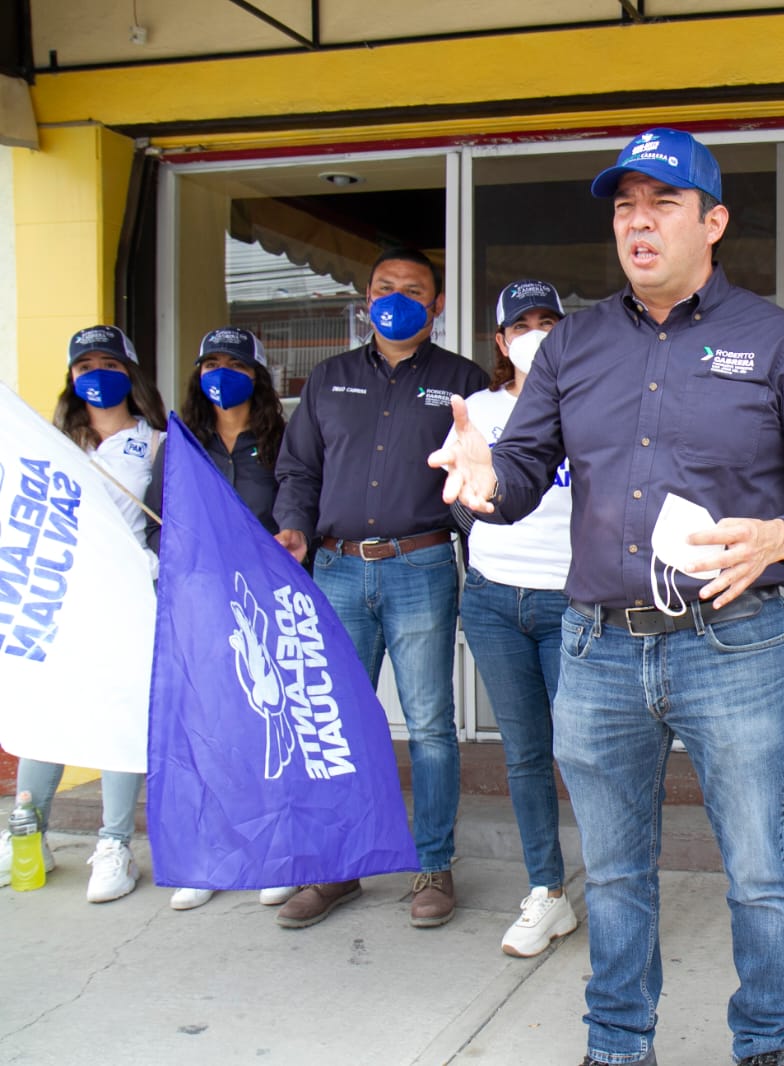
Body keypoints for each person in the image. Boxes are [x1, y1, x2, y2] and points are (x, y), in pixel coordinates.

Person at [430, 127, 784, 1066]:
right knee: (619, 874)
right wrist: (483, 481)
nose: (639, 223)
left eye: (663, 204)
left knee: (757, 873)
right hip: (597, 648)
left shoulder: (781, 342)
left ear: (712, 221)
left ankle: (764, 1043)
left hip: (734, 645)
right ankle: (618, 1044)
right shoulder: (573, 346)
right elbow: (517, 479)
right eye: (626, 207)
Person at [272, 247, 488, 930]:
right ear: (366, 299)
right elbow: (298, 471)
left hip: (420, 567)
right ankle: (336, 868)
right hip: (335, 569)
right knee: (334, 726)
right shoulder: (329, 379)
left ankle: (432, 865)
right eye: (385, 288)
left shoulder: (464, 382)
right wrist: (293, 530)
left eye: (415, 289)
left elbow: (479, 478)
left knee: (428, 726)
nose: (398, 298)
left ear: (438, 303)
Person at [2, 325, 166, 903]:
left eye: (108, 363)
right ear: (71, 377)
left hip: (126, 598)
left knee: (119, 712)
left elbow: (166, 522)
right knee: (47, 706)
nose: (95, 374)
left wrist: (149, 562)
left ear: (131, 373)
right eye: (84, 364)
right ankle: (28, 831)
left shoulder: (157, 443)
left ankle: (114, 843)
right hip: (59, 594)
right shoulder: (50, 444)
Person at [143, 326, 296, 912]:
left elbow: (295, 508)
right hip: (201, 599)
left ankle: (275, 853)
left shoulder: (280, 439)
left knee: (267, 724)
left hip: (264, 597)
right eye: (210, 361)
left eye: (234, 362)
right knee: (208, 727)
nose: (220, 372)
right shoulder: (180, 442)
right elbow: (160, 521)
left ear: (257, 374)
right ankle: (209, 854)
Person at [450, 280, 579, 957]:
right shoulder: (476, 408)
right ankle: (547, 893)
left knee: (587, 754)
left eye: (549, 320)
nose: (536, 332)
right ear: (500, 342)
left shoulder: (590, 403)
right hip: (495, 599)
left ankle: (615, 890)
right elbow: (460, 489)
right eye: (522, 324)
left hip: (570, 600)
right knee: (526, 754)